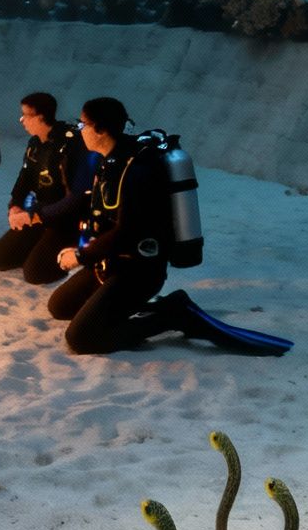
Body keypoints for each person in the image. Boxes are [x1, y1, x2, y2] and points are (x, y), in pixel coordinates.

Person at [46, 98, 291, 356]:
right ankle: (122, 306)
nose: (79, 129)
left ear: (100, 130)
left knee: (82, 339)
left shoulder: (137, 170)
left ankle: (173, 314)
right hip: (108, 264)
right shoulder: (110, 161)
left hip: (137, 272)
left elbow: (127, 232)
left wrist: (82, 256)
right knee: (60, 307)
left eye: (83, 124)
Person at [0, 92, 90, 284]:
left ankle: (58, 251)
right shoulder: (35, 143)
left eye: (26, 115)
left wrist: (35, 214)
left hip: (63, 220)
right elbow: (24, 179)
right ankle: (39, 244)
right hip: (40, 215)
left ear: (41, 117)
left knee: (35, 274)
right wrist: (15, 205)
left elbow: (73, 199)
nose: (22, 120)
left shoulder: (68, 146)